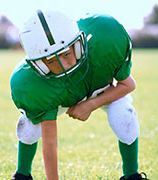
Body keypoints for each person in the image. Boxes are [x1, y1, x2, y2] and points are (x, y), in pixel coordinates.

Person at [10, 10, 149, 180]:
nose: (64, 66)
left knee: (124, 115)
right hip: (61, 96)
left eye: (66, 54)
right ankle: (22, 174)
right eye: (52, 60)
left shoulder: (105, 39)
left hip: (101, 88)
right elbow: (50, 140)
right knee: (28, 127)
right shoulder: (33, 83)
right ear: (40, 63)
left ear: (78, 43)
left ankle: (131, 175)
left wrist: (90, 104)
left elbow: (128, 84)